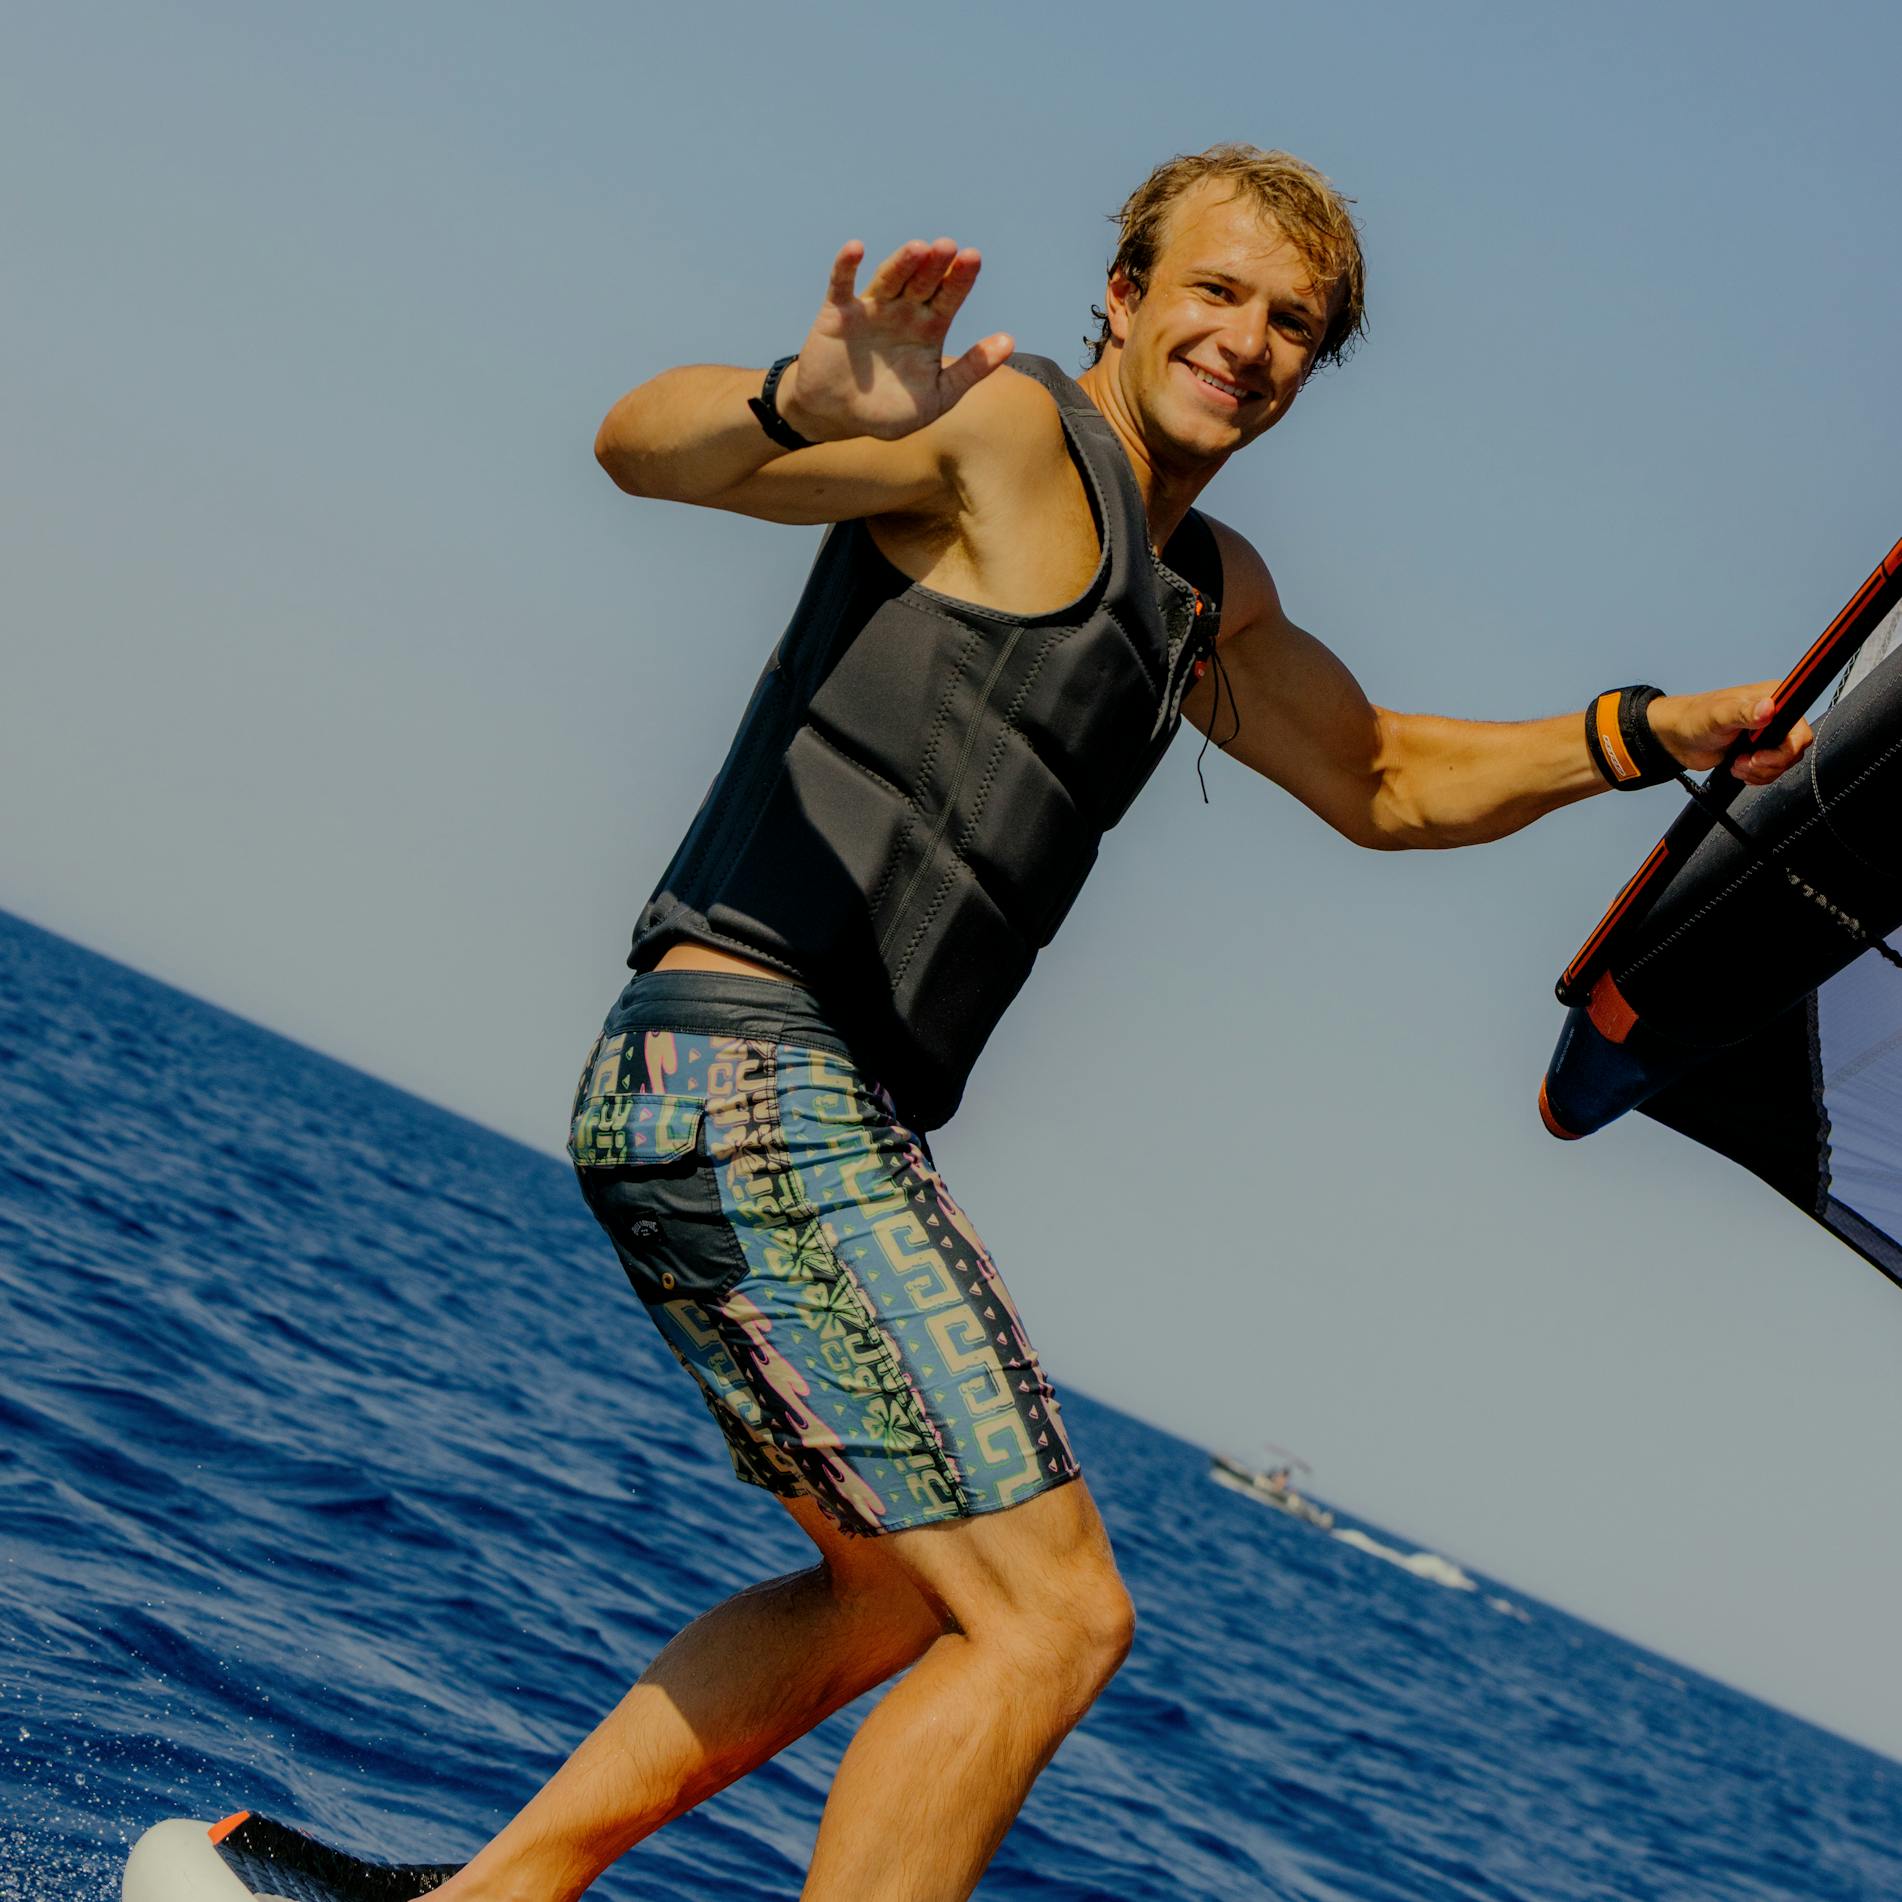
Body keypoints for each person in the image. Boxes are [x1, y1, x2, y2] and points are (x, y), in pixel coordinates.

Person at [426, 144, 1811, 1902]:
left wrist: (1644, 730)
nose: (1245, 338)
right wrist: (796, 399)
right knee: (1053, 1619)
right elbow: (640, 446)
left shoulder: (1202, 591)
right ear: (1125, 296)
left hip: (775, 1102)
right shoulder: (1000, 435)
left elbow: (1381, 775)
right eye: (1214, 291)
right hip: (746, 1067)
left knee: (894, 1596)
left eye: (1291, 321)